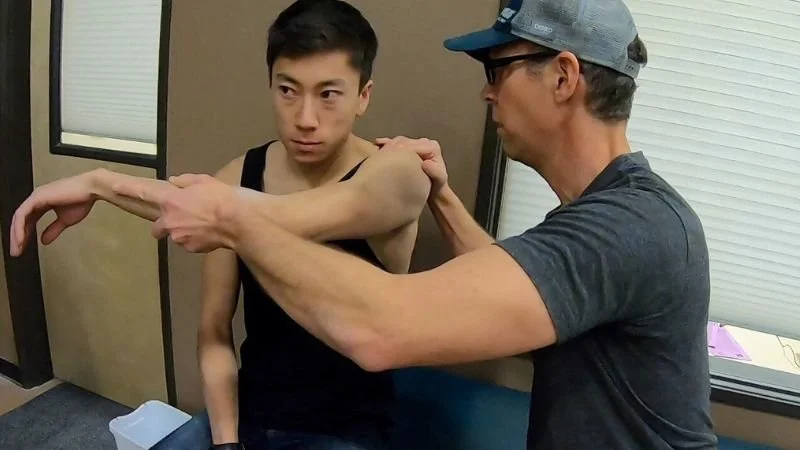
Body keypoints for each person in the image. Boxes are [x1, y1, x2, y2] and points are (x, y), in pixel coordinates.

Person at [77, 0, 718, 449]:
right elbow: (522, 321)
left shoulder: (632, 227)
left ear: (563, 76)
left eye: (498, 70)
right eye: (287, 89)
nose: (486, 93)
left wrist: (229, 216)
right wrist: (444, 196)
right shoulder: (590, 219)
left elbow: (378, 330)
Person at [10, 1, 430, 449]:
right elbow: (214, 328)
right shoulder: (239, 176)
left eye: (329, 94)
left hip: (348, 431)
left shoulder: (397, 173)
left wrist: (108, 185)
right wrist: (226, 443)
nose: (305, 119)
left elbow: (268, 216)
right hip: (249, 413)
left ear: (363, 96)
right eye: (288, 90)